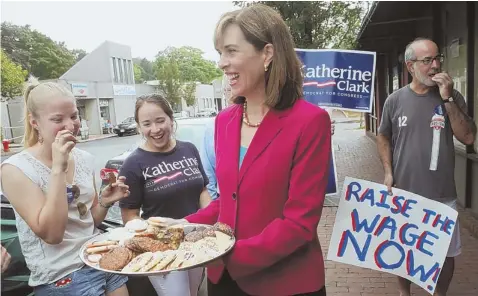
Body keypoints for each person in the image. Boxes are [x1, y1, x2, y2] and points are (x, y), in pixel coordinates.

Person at [159, 4, 332, 296]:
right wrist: (177, 227)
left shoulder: (310, 121)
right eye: (219, 53)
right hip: (223, 281)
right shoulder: (224, 121)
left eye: (231, 51)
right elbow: (228, 203)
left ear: (267, 54)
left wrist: (225, 253)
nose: (222, 63)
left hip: (285, 283)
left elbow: (299, 223)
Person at [0, 78, 130, 296]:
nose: (71, 126)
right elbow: (52, 235)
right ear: (35, 122)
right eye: (57, 119)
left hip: (99, 257)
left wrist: (106, 202)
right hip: (62, 276)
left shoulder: (84, 158)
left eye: (74, 115)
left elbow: (89, 221)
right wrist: (58, 168)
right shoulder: (15, 170)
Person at [377, 38, 477, 296]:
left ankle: (440, 294)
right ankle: (405, 292)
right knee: (402, 249)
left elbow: (468, 137)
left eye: (437, 58)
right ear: (411, 66)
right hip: (405, 192)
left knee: (446, 252)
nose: (435, 65)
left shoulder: (452, 97)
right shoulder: (395, 100)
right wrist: (388, 171)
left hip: (442, 194)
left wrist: (447, 100)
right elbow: (383, 136)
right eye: (427, 60)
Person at [119, 94, 211, 296]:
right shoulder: (133, 163)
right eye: (147, 124)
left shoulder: (188, 149)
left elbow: (202, 190)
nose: (155, 129)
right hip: (162, 247)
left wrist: (210, 219)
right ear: (139, 127)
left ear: (171, 119)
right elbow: (129, 216)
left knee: (194, 292)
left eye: (160, 120)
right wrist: (150, 239)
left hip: (194, 239)